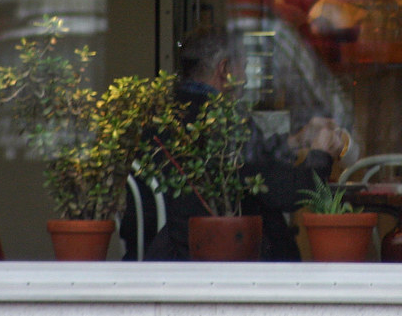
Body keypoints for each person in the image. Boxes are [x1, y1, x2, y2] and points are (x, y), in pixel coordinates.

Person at [120, 27, 346, 261]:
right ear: (225, 69)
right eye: (244, 67)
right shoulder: (225, 123)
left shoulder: (161, 116)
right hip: (223, 264)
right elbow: (287, 194)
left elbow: (250, 165)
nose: (246, 79)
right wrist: (321, 153)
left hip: (158, 258)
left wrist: (294, 142)